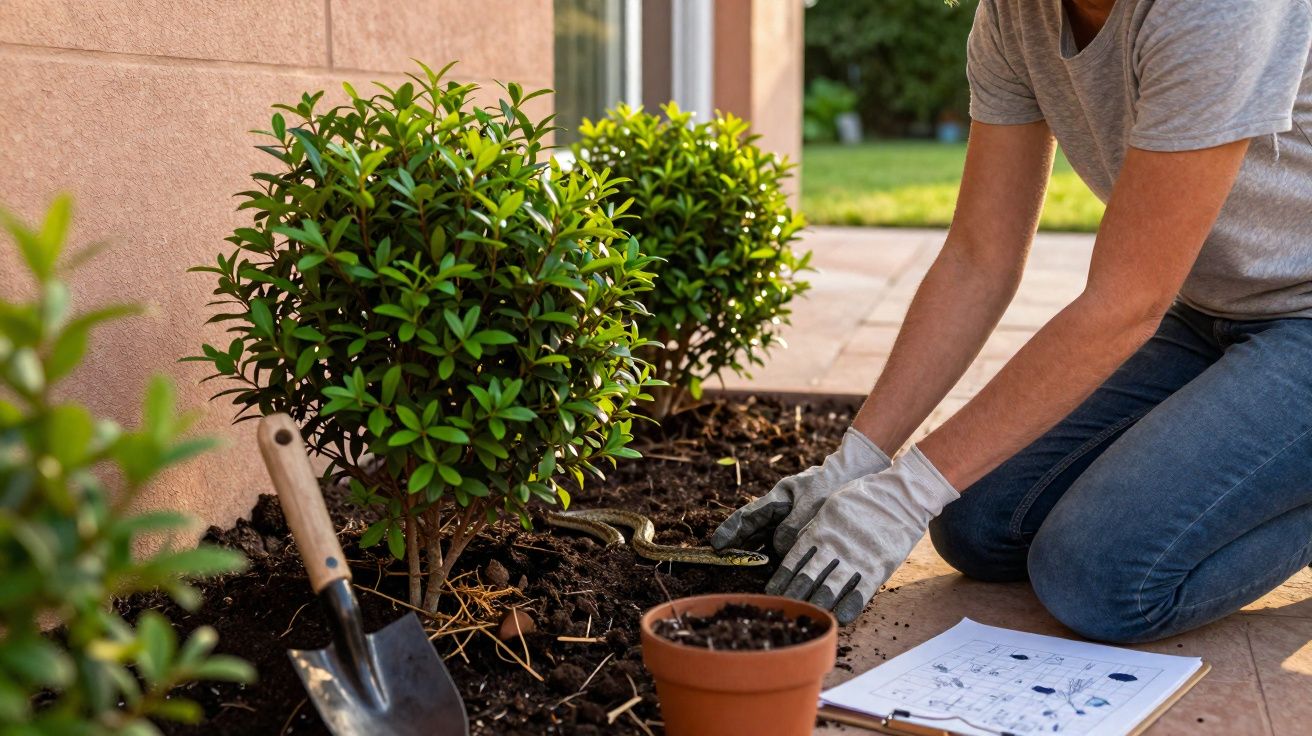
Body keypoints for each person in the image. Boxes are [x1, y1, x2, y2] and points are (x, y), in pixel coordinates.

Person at [711, 0, 1312, 643]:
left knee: (1101, 579)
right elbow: (979, 258)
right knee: (977, 522)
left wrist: (906, 491)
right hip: (1207, 313)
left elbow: (1126, 303)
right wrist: (857, 463)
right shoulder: (1015, 14)